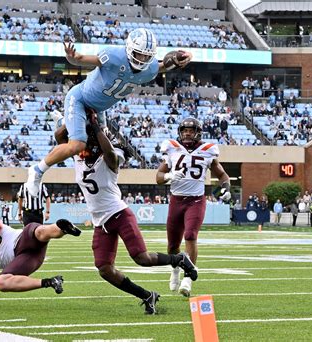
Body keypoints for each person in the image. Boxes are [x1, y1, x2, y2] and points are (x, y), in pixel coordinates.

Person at [25, 28, 193, 196]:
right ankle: (37, 170)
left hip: (99, 109)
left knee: (98, 148)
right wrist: (71, 57)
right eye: (138, 54)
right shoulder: (114, 56)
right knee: (78, 145)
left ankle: (64, 123)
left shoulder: (149, 69)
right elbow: (81, 59)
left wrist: (179, 60)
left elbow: (161, 66)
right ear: (128, 48)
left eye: (146, 56)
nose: (142, 59)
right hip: (80, 99)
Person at [73, 115, 198, 315]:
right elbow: (60, 136)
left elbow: (109, 153)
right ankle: (147, 296)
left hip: (119, 214)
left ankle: (179, 259)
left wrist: (97, 126)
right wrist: (74, 117)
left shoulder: (110, 160)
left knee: (141, 258)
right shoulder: (79, 157)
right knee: (104, 269)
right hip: (101, 222)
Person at [155, 118, 230, 297]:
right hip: (176, 200)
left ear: (197, 132)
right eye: (184, 130)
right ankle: (174, 271)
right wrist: (170, 176)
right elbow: (158, 176)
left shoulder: (207, 150)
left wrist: (226, 189)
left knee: (190, 235)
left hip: (196, 200)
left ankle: (188, 277)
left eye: (190, 130)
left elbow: (222, 175)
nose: (187, 133)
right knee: (173, 245)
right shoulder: (172, 148)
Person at [0, 214, 81, 309]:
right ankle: (50, 282)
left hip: (23, 238)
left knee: (40, 231)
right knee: (1, 282)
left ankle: (63, 228)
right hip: (25, 259)